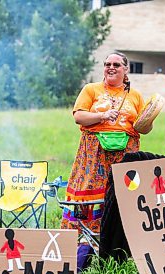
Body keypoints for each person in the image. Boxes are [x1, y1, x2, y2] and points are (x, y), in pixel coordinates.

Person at [61, 52, 145, 233]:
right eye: (108, 64)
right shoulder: (91, 89)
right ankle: (85, 235)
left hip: (126, 151)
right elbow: (78, 116)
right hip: (94, 151)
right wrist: (102, 116)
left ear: (126, 69)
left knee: (124, 191)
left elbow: (143, 129)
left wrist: (149, 119)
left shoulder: (135, 96)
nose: (111, 67)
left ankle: (120, 234)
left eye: (116, 64)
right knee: (89, 188)